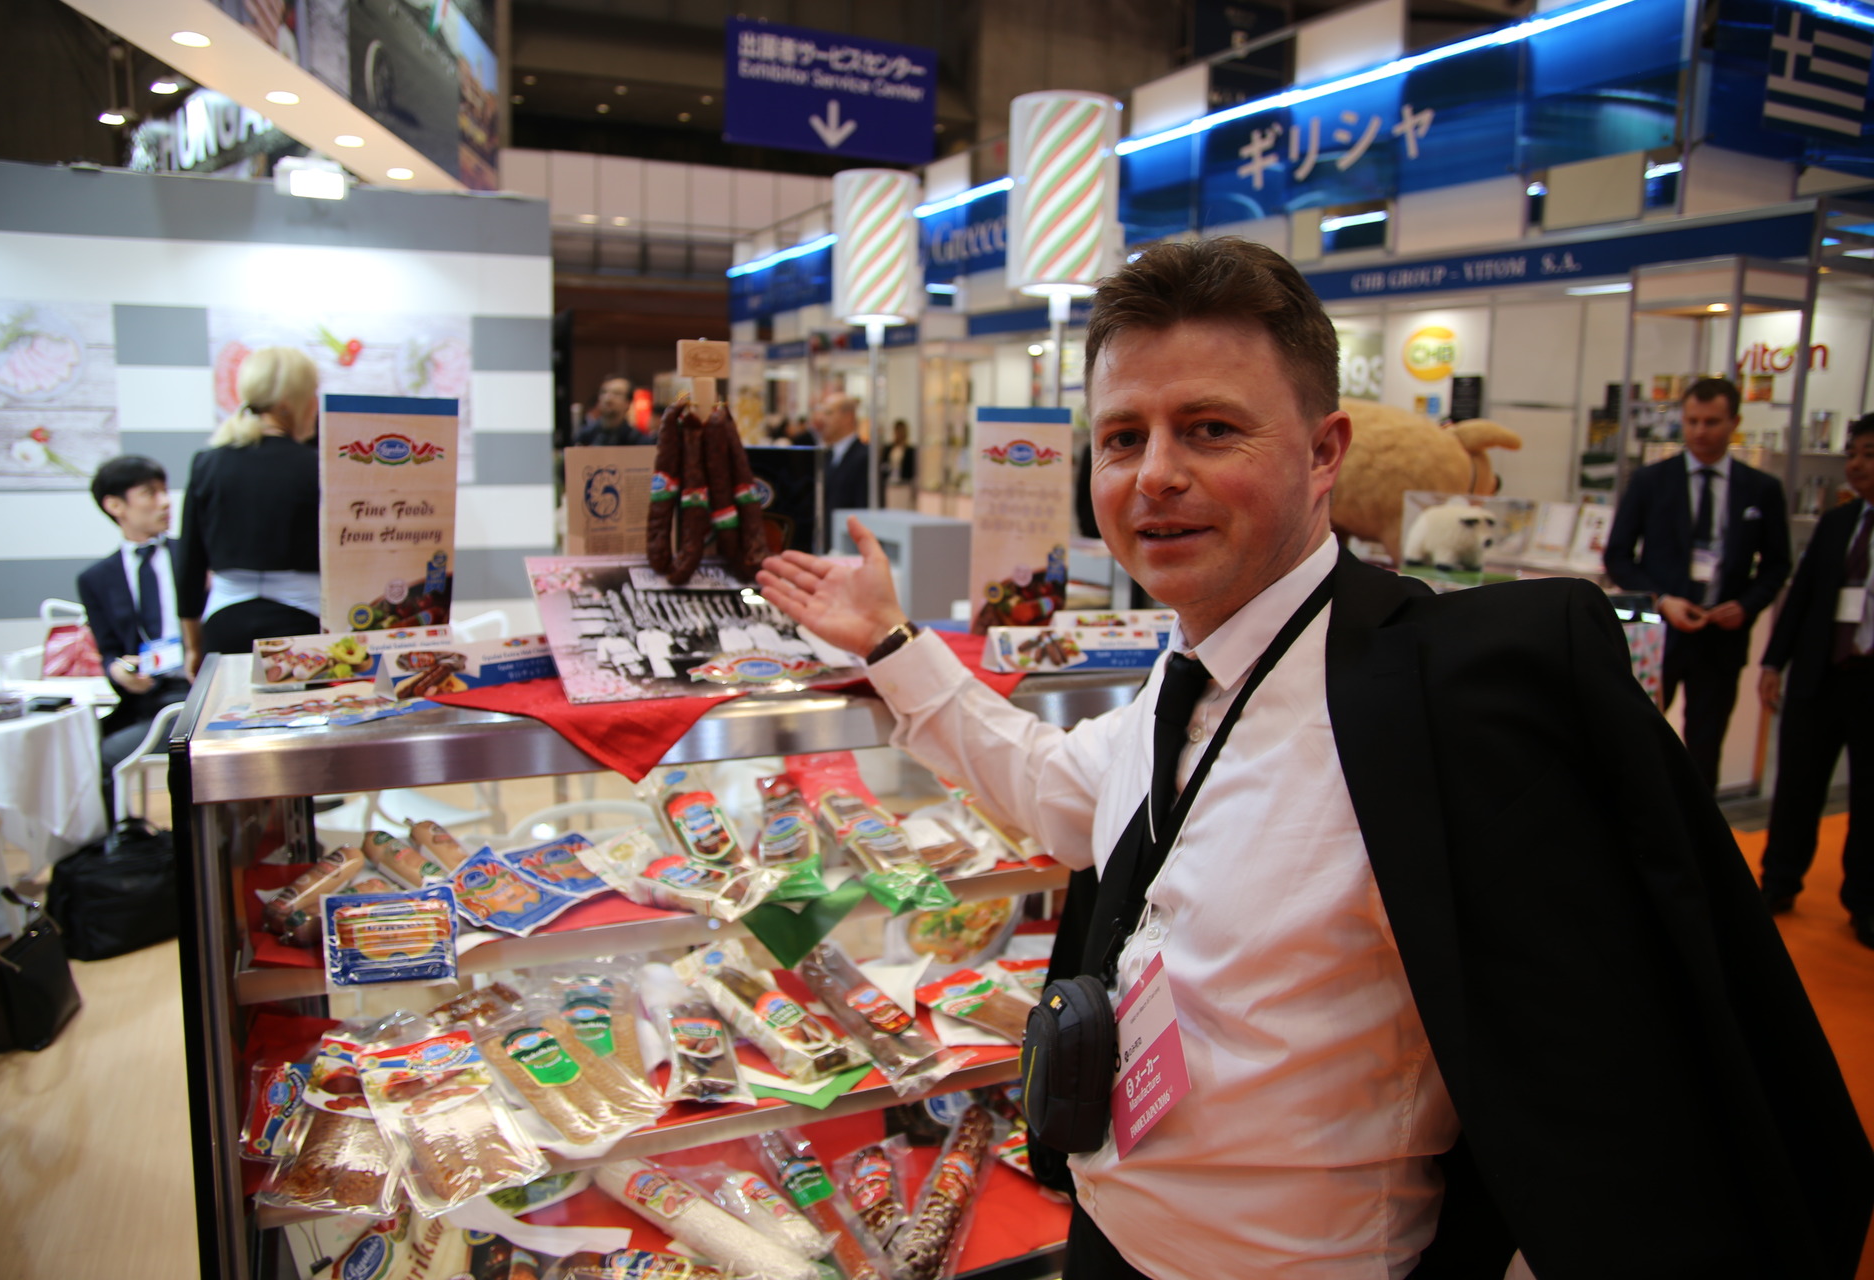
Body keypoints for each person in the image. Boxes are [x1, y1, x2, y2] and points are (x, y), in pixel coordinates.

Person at [757, 238, 1871, 1279]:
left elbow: (1604, 1083)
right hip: (1107, 1237)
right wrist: (893, 646)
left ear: (1325, 451)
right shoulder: (1183, 675)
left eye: (1209, 429)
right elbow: (1061, 792)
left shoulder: (1441, 705)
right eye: (1123, 437)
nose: (1154, 475)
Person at [1603, 377, 1791, 789]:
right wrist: (1661, 600)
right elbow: (1618, 557)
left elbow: (1778, 565)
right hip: (1659, 635)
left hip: (1720, 637)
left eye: (1711, 422)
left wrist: (1746, 605)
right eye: (1692, 422)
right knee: (1639, 739)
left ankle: (1699, 827)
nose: (1700, 431)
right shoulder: (1651, 481)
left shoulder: (1761, 489)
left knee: (1704, 750)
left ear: (1734, 423)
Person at [1757, 415, 1874, 945]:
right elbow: (1800, 596)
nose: (1856, 465)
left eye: (1868, 454)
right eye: (1852, 454)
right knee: (1796, 787)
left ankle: (1865, 902)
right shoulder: (1837, 522)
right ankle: (1778, 882)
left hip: (1870, 679)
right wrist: (1772, 663)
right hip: (1819, 675)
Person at [177, 345, 323, 669]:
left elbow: (189, 562)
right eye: (313, 393)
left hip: (223, 623)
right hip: (303, 623)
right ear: (291, 401)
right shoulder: (318, 467)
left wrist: (192, 646)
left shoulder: (207, 463)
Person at [79, 455, 190, 814]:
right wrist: (118, 670)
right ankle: (119, 841)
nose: (165, 501)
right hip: (145, 700)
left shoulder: (193, 557)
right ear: (115, 506)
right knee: (80, 750)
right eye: (149, 493)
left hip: (197, 691)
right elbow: (109, 652)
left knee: (113, 752)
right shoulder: (97, 579)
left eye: (164, 491)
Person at [819, 392, 870, 541]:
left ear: (848, 417)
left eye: (829, 413)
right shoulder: (826, 456)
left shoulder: (864, 457)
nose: (823, 419)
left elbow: (864, 508)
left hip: (848, 543)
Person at [574, 375, 645, 446]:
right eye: (604, 392)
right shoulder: (585, 436)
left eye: (616, 393)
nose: (608, 399)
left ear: (628, 403)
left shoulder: (637, 440)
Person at [880, 418, 917, 509]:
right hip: (890, 484)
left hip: (904, 485)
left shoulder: (910, 450)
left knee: (903, 507)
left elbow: (913, 469)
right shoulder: (888, 448)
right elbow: (883, 465)